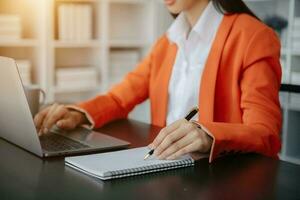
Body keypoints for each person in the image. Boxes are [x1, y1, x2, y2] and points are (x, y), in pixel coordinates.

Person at [34, 0, 282, 162]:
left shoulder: (253, 36)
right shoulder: (167, 43)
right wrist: (78, 113)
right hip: (164, 165)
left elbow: (265, 133)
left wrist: (208, 135)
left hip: (223, 177)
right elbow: (120, 98)